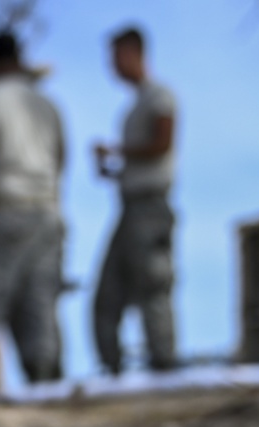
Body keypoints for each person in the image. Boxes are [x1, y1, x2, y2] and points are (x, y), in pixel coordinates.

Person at [0, 30, 66, 388]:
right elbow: (62, 160)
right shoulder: (46, 103)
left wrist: (5, 172)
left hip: (9, 210)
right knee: (40, 302)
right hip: (49, 213)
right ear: (20, 60)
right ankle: (47, 382)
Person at [91, 26, 178, 374]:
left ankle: (165, 368)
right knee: (107, 296)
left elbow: (163, 143)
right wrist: (112, 169)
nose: (111, 67)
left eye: (115, 57)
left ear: (132, 53)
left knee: (153, 290)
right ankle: (111, 371)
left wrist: (117, 150)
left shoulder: (160, 97)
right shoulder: (132, 108)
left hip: (151, 209)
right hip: (127, 208)